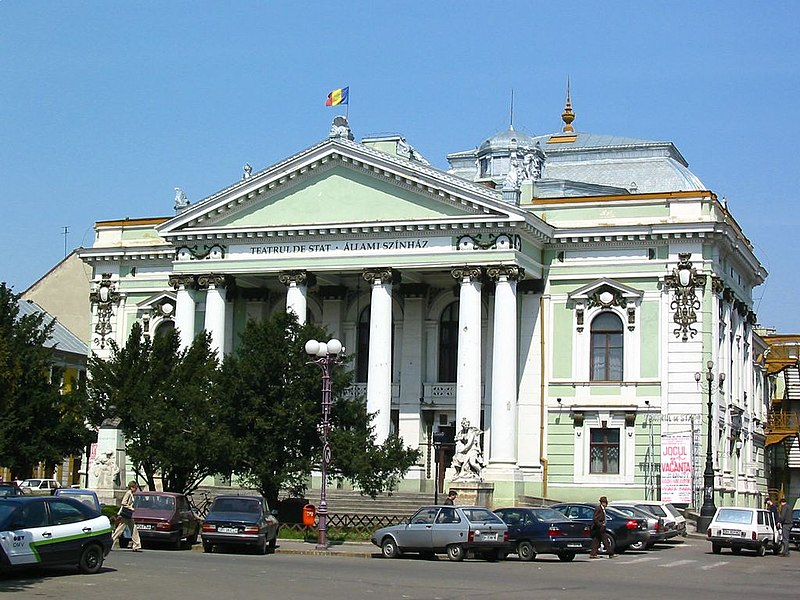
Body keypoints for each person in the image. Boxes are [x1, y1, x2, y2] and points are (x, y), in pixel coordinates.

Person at [112, 481, 142, 552]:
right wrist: (130, 508)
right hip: (126, 515)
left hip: (129, 515)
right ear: (132, 487)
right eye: (135, 487)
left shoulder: (131, 494)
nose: (136, 489)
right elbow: (123, 503)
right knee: (120, 530)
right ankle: (110, 542)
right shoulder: (128, 493)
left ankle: (136, 545)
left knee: (133, 529)